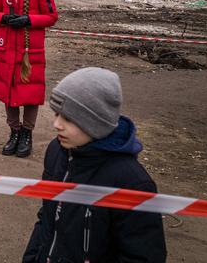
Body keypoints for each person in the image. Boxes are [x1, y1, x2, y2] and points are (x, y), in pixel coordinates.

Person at [23, 67, 167, 263]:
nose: (56, 124)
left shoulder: (132, 182)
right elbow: (46, 218)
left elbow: (143, 255)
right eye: (56, 114)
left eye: (68, 118)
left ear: (95, 123)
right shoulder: (57, 152)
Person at [0, 0, 57, 158]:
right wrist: (4, 18)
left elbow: (52, 16)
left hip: (30, 50)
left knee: (29, 93)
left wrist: (29, 20)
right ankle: (14, 132)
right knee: (9, 91)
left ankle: (27, 133)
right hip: (7, 49)